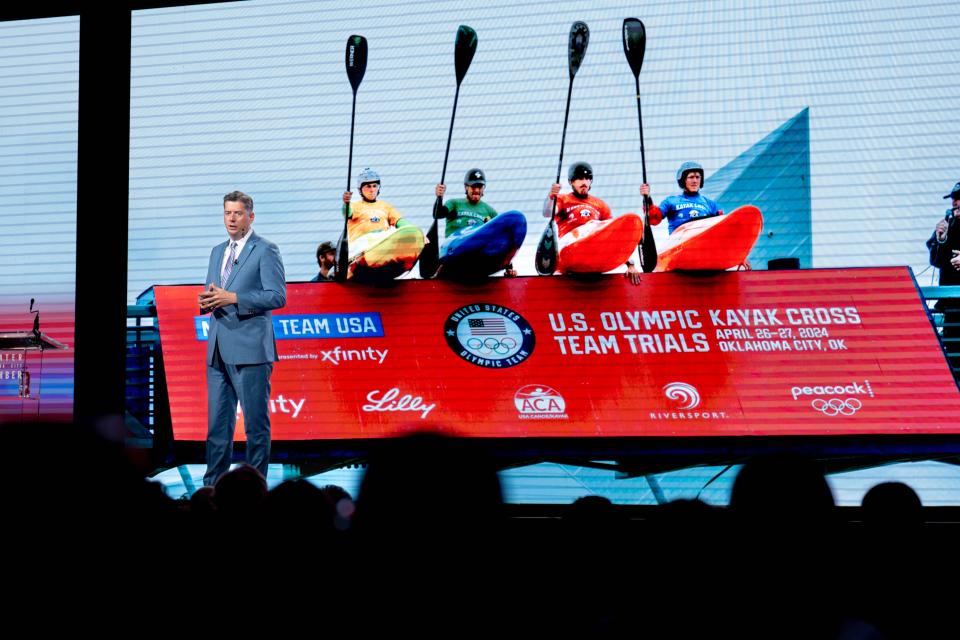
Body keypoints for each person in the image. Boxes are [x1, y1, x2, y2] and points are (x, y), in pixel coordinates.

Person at [199, 190, 286, 486]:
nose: (231, 219)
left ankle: (256, 490)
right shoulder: (216, 251)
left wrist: (233, 298)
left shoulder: (265, 249)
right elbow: (215, 293)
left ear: (251, 216)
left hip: (251, 350)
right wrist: (208, 302)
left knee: (255, 428)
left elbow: (276, 296)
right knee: (217, 430)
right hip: (218, 351)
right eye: (227, 213)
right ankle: (211, 490)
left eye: (237, 213)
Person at [545, 161, 641, 284]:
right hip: (568, 247)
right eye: (579, 179)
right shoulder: (563, 199)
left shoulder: (600, 205)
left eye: (587, 178)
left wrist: (630, 265)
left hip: (593, 252)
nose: (584, 182)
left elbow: (613, 237)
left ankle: (591, 242)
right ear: (571, 182)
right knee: (592, 226)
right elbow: (548, 212)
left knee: (600, 227)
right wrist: (551, 196)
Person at [435, 168, 517, 277]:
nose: (477, 190)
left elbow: (500, 238)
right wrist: (439, 198)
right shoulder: (454, 203)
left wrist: (509, 267)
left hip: (478, 256)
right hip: (454, 250)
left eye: (480, 187)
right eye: (473, 186)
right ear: (466, 187)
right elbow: (438, 214)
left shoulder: (490, 211)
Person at [926, 180, 960, 370]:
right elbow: (936, 261)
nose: (955, 203)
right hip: (953, 310)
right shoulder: (949, 224)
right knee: (954, 362)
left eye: (959, 199)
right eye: (954, 199)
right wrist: (941, 239)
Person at [341, 167, 412, 246]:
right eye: (368, 186)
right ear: (360, 189)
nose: (372, 190)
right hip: (359, 250)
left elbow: (399, 221)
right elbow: (347, 212)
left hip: (381, 248)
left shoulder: (386, 207)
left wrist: (412, 231)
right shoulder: (354, 206)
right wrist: (346, 203)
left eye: (374, 186)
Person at [646, 161, 722, 233]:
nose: (695, 181)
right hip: (680, 243)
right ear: (683, 180)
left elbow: (721, 228)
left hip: (703, 243)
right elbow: (654, 218)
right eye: (691, 177)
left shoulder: (710, 204)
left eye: (697, 177)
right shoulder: (671, 201)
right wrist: (647, 197)